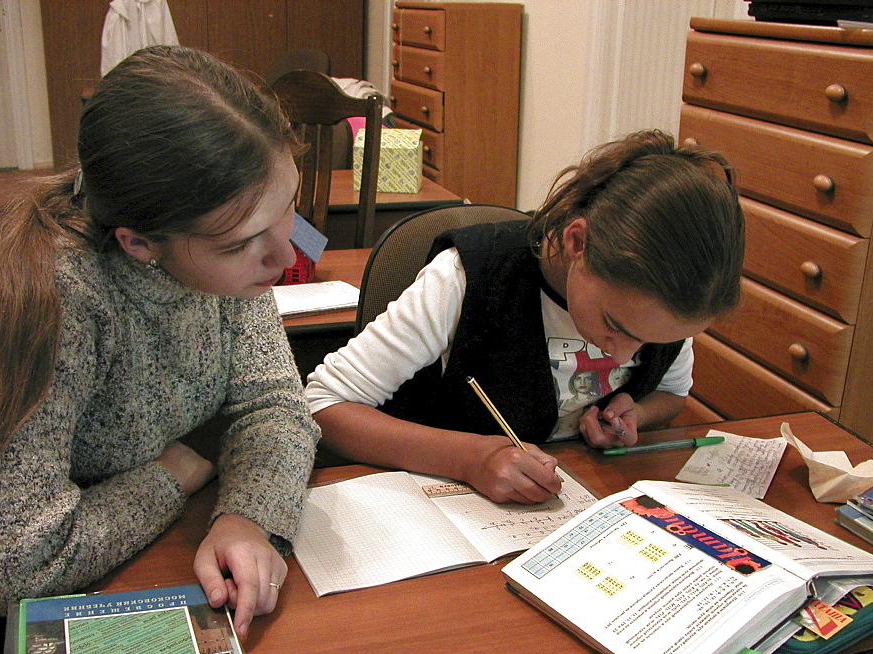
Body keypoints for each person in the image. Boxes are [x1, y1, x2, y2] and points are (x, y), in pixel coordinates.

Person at [0, 46, 320, 654]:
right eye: (243, 242)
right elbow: (15, 566)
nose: (287, 255)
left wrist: (247, 518)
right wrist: (177, 471)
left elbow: (275, 405)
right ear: (139, 243)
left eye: (289, 204)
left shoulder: (224, 256)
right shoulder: (55, 295)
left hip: (123, 530)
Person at [305, 130, 744, 506]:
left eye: (649, 343)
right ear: (577, 243)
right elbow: (323, 407)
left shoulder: (662, 306)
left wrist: (636, 415)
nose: (623, 354)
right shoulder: (469, 278)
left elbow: (671, 394)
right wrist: (470, 457)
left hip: (577, 503)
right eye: (615, 325)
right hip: (445, 511)